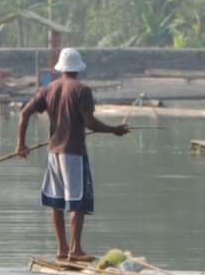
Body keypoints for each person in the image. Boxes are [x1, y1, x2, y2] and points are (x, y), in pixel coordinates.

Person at [16, 48, 129, 262]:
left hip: (53, 153)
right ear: (78, 69)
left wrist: (21, 145)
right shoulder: (81, 90)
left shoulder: (49, 88)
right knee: (77, 201)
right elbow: (90, 123)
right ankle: (75, 250)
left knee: (57, 202)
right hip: (73, 153)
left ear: (61, 68)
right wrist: (114, 130)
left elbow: (24, 113)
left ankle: (62, 249)